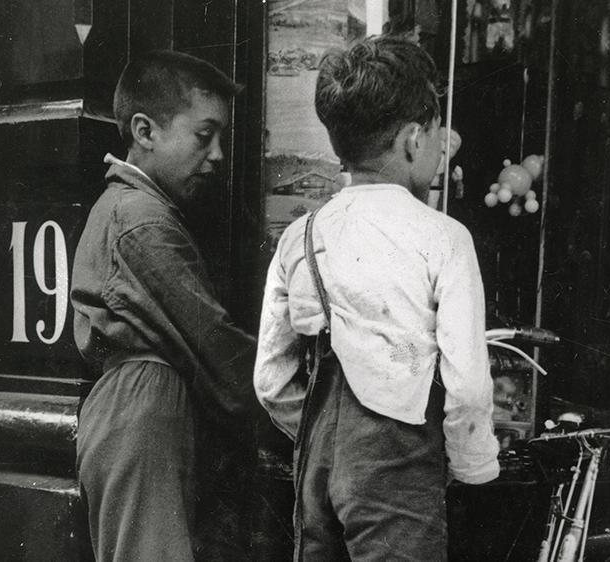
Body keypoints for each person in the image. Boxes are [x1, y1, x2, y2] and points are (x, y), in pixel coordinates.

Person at [254, 36, 499, 561]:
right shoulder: (445, 238)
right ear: (414, 139)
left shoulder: (300, 234)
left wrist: (324, 434)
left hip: (316, 462)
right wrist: (471, 467)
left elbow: (270, 379)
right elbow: (469, 387)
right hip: (398, 466)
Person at [71, 50, 256, 561]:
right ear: (145, 131)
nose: (217, 154)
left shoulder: (128, 209)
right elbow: (216, 346)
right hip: (145, 411)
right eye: (204, 135)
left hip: (138, 410)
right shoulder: (142, 220)